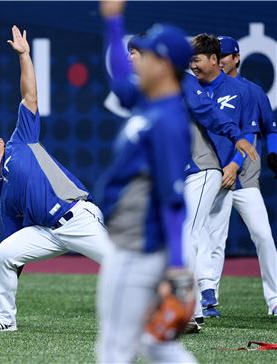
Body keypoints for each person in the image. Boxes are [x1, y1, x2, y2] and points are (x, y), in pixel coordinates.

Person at [0, 25, 111, 333]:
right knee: (4, 253)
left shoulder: (22, 140)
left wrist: (25, 56)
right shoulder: (2, 192)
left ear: (0, 141)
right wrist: (12, 267)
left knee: (120, 264)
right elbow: (13, 242)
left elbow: (30, 95)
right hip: (47, 233)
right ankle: (5, 320)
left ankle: (174, 310)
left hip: (76, 218)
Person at [126, 34, 258, 328]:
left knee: (185, 236)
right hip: (180, 176)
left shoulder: (177, 79)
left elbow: (208, 113)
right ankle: (187, 307)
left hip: (201, 171)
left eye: (135, 51)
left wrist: (236, 136)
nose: (130, 57)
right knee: (183, 237)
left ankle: (188, 309)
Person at [97, 1, 197, 362]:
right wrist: (112, 20)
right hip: (134, 244)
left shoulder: (169, 121)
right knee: (154, 344)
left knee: (113, 350)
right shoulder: (147, 101)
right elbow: (120, 79)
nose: (140, 61)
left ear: (166, 64)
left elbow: (173, 199)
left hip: (139, 249)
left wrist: (177, 266)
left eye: (149, 55)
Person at [189, 33, 266, 318]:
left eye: (197, 59)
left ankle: (207, 293)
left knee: (215, 234)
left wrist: (234, 163)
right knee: (197, 232)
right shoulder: (189, 85)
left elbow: (248, 129)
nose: (192, 65)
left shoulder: (242, 90)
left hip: (222, 171)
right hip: (197, 168)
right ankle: (206, 293)